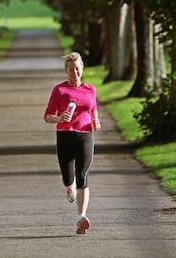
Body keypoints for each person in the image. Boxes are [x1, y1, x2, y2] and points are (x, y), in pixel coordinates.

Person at [44, 52, 101, 234]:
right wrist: (60, 118)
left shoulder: (90, 89)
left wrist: (96, 121)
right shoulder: (59, 90)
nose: (74, 73)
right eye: (70, 70)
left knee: (82, 175)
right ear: (66, 71)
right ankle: (70, 188)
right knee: (69, 178)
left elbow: (93, 110)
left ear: (82, 69)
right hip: (65, 135)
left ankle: (81, 217)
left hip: (85, 135)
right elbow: (47, 116)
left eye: (77, 69)